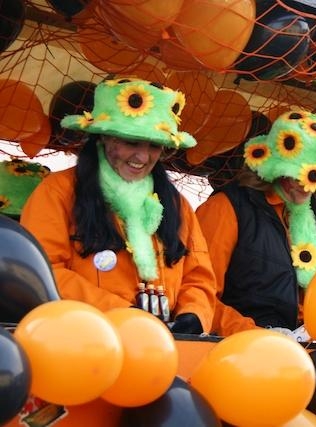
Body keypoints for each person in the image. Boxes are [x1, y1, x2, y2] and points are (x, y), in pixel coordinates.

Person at [20, 78, 217, 334]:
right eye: (131, 142)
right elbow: (42, 271)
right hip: (80, 339)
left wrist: (194, 314)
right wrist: (121, 314)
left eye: (154, 146)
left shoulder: (178, 205)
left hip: (162, 345)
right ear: (103, 137)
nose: (143, 157)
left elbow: (199, 278)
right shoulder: (58, 192)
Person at [196, 110, 316, 337]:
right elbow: (198, 295)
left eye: (314, 177)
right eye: (296, 173)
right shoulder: (227, 207)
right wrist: (256, 334)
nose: (304, 185)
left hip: (314, 348)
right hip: (243, 347)